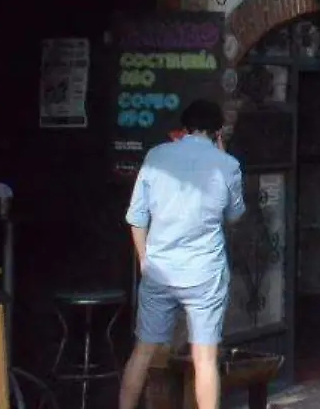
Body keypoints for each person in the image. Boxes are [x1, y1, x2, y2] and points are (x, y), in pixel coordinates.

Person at [119, 100, 248, 409]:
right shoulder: (227, 165)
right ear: (218, 131)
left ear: (185, 128)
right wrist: (222, 153)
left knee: (143, 351)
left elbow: (136, 218)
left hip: (159, 271)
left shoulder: (156, 157)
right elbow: (234, 215)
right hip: (204, 273)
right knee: (204, 358)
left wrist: (144, 261)